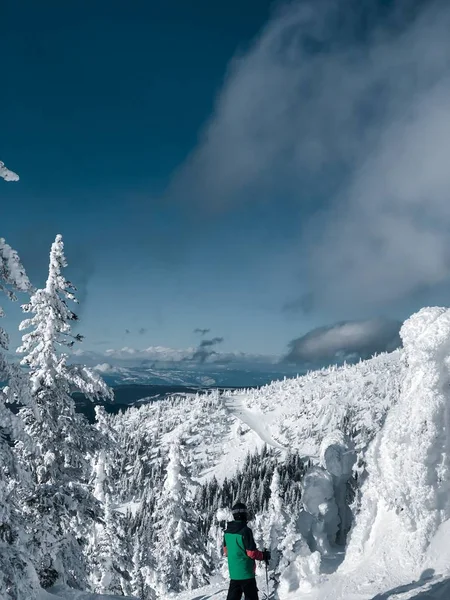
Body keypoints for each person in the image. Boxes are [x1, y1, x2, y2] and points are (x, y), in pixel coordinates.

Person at [223, 502, 271, 600]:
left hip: (234, 574)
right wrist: (263, 555)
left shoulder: (227, 532)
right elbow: (251, 553)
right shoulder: (245, 531)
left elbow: (226, 552)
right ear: (244, 514)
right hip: (246, 573)